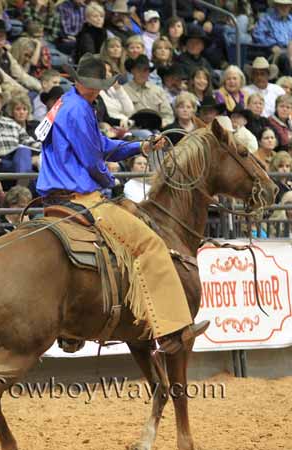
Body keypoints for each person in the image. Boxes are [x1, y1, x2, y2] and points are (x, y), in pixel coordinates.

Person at [35, 53, 210, 354]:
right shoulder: (79, 109)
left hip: (56, 195)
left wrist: (138, 146)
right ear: (86, 83)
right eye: (97, 85)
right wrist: (111, 183)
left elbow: (101, 146)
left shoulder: (68, 103)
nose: (99, 89)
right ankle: (170, 329)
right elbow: (93, 160)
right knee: (151, 245)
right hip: (81, 197)